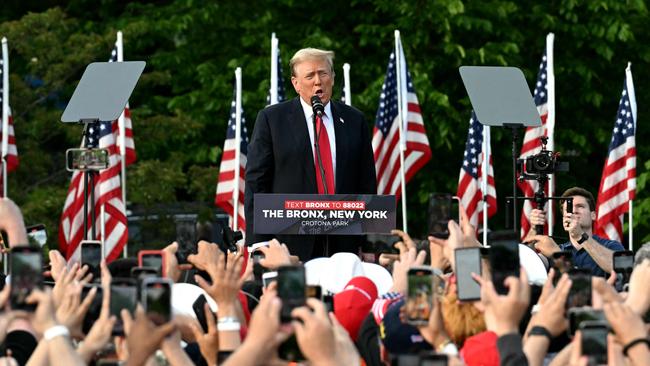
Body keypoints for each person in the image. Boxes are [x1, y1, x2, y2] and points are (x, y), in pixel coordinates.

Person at [245, 48, 377, 260]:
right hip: (288, 243)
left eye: (323, 73)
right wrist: (259, 241)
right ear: (296, 84)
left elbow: (366, 182)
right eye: (310, 75)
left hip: (344, 243)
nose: (318, 81)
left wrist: (367, 240)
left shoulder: (354, 120)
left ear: (333, 78)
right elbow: (256, 181)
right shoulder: (272, 119)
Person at [527, 186, 624, 277]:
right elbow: (527, 267)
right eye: (568, 208)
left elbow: (620, 268)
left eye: (580, 206)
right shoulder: (555, 248)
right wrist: (534, 229)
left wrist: (580, 236)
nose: (574, 211)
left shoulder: (611, 246)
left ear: (593, 215)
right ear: (563, 218)